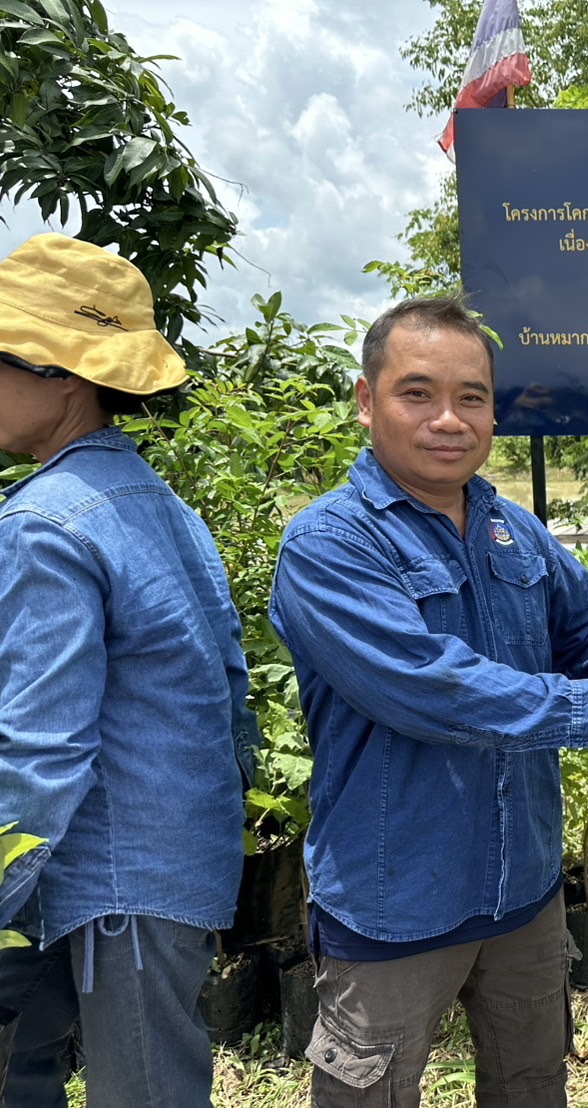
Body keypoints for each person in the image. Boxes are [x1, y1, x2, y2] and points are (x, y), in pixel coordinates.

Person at [267, 294, 588, 1108]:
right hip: (394, 900)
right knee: (372, 1094)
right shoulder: (331, 546)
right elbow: (432, 688)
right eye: (417, 393)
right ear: (367, 401)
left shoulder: (517, 531)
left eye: (471, 397)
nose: (449, 418)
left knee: (530, 1084)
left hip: (524, 891)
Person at [0, 233, 257, 1107]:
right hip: (181, 861)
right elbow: (231, 694)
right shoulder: (159, 502)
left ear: (63, 371)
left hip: (113, 881)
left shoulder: (45, 522)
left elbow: (41, 750)